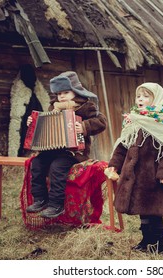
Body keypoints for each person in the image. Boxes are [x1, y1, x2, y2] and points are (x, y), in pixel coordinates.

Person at [107, 83, 163, 254]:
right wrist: (114, 165)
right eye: (139, 95)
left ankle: (158, 244)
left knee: (154, 212)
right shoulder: (133, 120)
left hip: (154, 178)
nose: (140, 99)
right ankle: (146, 241)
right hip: (136, 177)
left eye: (146, 96)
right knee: (143, 212)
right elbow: (122, 146)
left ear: (157, 99)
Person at [26, 71, 107, 218]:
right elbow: (45, 125)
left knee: (57, 167)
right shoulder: (54, 107)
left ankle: (56, 205)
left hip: (74, 152)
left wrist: (84, 126)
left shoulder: (86, 107)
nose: (61, 96)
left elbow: (101, 122)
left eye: (65, 92)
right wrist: (33, 123)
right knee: (37, 163)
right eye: (58, 93)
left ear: (75, 91)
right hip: (53, 150)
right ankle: (40, 199)